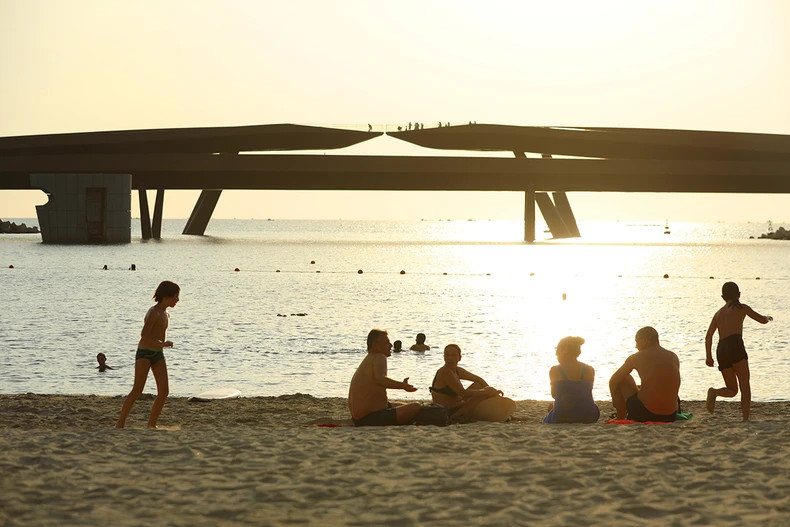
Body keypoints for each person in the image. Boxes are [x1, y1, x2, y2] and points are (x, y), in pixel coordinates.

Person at [116, 281, 180, 429]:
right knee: (137, 390)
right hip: (144, 353)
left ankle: (152, 424)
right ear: (166, 296)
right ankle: (120, 423)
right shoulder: (154, 312)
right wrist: (162, 344)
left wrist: (161, 346)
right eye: (175, 296)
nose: (177, 300)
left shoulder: (166, 314)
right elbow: (144, 335)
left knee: (164, 392)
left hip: (158, 354)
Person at [705, 281, 772, 421]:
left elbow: (708, 336)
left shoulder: (718, 313)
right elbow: (761, 320)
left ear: (723, 297)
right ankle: (745, 419)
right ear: (739, 295)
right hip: (735, 345)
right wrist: (767, 318)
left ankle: (715, 392)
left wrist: (709, 357)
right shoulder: (742, 308)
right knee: (744, 387)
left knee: (732, 390)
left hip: (721, 349)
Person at [348, 329, 421, 426]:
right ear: (375, 345)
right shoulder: (379, 356)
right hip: (369, 418)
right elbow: (380, 379)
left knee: (401, 405)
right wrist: (402, 386)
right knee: (416, 407)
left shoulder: (370, 358)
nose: (391, 345)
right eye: (387, 342)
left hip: (359, 418)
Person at [609, 326, 680, 422]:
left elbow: (614, 380)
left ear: (645, 340)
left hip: (645, 413)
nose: (636, 346)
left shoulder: (636, 357)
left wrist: (614, 398)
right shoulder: (673, 356)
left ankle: (620, 417)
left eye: (637, 341)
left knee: (624, 379)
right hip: (670, 416)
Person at [429, 344, 515, 423]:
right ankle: (457, 417)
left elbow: (478, 379)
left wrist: (491, 392)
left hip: (459, 405)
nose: (450, 358)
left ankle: (494, 405)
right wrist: (486, 392)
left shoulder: (457, 370)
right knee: (482, 394)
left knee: (478, 385)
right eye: (447, 355)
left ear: (459, 358)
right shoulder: (445, 371)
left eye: (453, 355)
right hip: (447, 411)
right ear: (444, 357)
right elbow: (463, 393)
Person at [543, 336, 599, 424]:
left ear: (564, 350)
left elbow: (554, 395)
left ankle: (554, 411)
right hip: (588, 416)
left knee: (547, 419)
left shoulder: (555, 370)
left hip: (562, 417)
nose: (556, 354)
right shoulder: (589, 369)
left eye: (557, 351)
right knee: (593, 407)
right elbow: (586, 393)